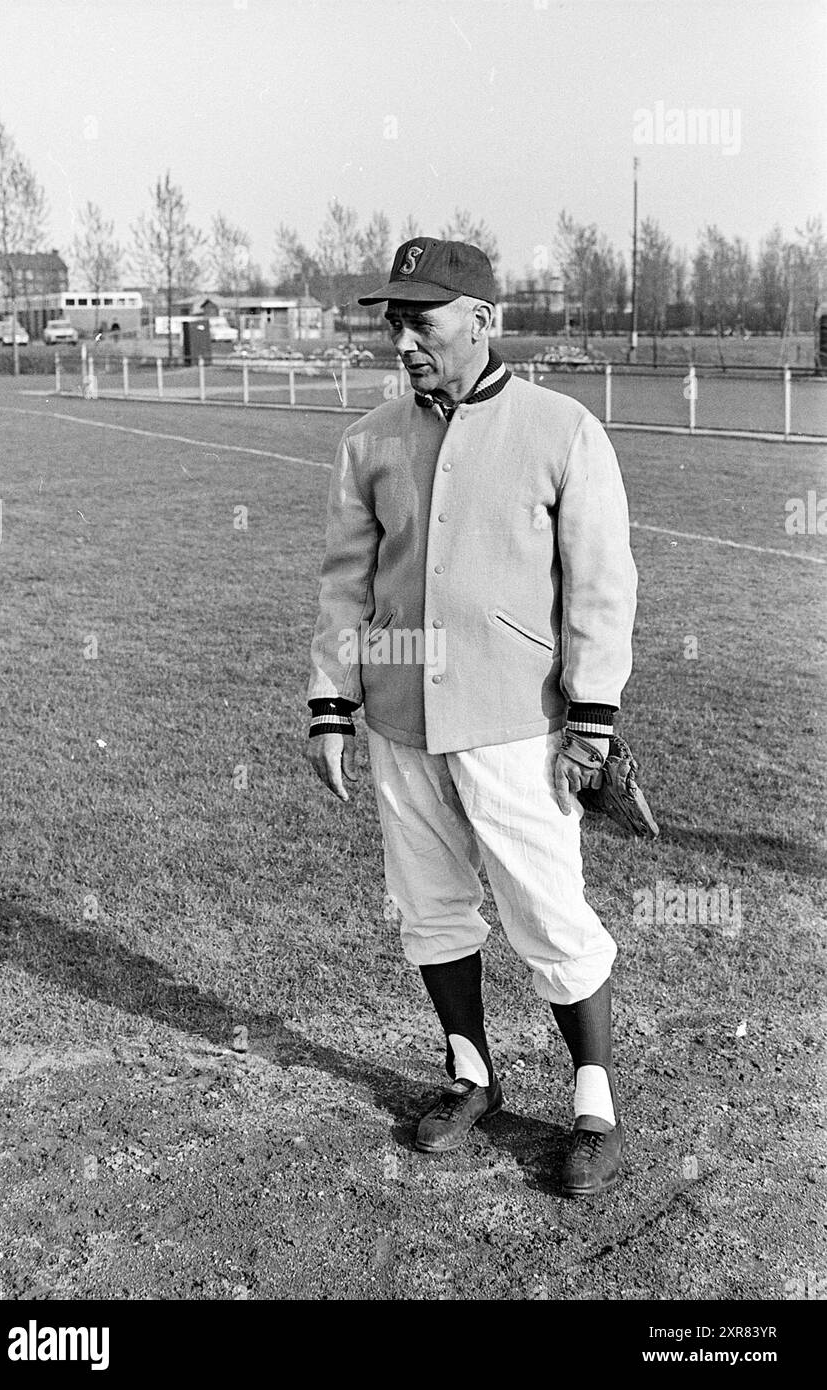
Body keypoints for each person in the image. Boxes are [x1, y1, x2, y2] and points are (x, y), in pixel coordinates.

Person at [306, 237, 637, 1196]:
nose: (403, 338)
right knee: (430, 909)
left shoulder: (560, 428)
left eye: (423, 318)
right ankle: (471, 1076)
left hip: (515, 723)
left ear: (482, 320)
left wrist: (593, 717)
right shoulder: (370, 439)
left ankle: (592, 1108)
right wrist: (331, 707)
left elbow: (600, 588)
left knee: (548, 913)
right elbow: (344, 587)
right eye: (394, 321)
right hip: (401, 722)